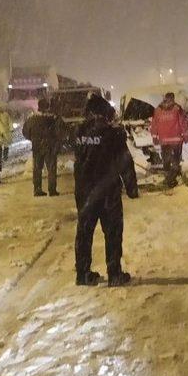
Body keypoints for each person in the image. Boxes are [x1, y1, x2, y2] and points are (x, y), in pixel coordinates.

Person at [73, 93, 138, 287]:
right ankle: (114, 274)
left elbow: (79, 159)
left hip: (84, 191)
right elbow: (125, 162)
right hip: (108, 192)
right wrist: (132, 188)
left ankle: (83, 274)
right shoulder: (114, 134)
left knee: (84, 233)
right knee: (112, 232)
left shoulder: (78, 132)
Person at [22, 98, 63, 196]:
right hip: (50, 147)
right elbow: (59, 132)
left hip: (37, 147)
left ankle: (37, 189)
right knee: (51, 169)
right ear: (48, 107)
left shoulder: (31, 119)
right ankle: (52, 190)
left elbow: (25, 132)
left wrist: (33, 139)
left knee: (37, 169)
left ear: (39, 107)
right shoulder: (53, 119)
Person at [150, 91, 188, 188]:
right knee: (176, 160)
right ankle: (170, 179)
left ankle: (168, 176)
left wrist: (155, 137)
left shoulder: (158, 109)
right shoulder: (177, 108)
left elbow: (154, 124)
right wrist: (186, 135)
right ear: (173, 98)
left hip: (164, 140)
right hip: (176, 139)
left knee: (166, 160)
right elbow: (182, 123)